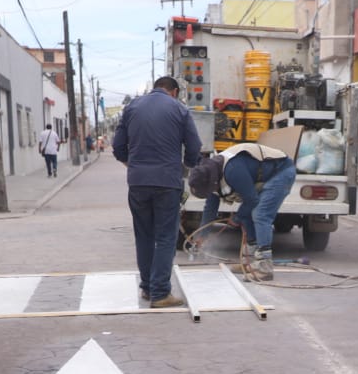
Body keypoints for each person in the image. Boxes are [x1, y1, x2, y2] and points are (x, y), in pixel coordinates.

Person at [112, 76, 202, 308]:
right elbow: (194, 147)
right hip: (167, 182)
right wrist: (188, 166)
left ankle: (147, 287)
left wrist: (131, 164)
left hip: (138, 183)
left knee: (144, 235)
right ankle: (161, 292)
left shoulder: (132, 107)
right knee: (165, 237)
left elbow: (118, 146)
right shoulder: (179, 109)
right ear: (173, 92)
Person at [187, 142, 296, 281]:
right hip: (264, 175)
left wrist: (237, 218)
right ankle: (250, 263)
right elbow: (210, 208)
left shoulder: (232, 170)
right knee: (246, 215)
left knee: (260, 214)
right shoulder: (211, 173)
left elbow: (252, 200)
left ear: (211, 182)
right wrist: (202, 234)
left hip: (281, 171)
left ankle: (264, 268)